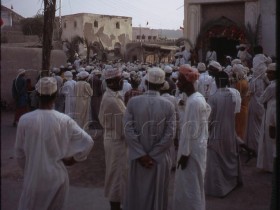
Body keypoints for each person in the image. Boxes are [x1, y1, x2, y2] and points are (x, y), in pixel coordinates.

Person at [15, 77, 94, 210]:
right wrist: (73, 159)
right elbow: (88, 142)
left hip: (34, 179)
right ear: (56, 95)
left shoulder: (25, 120)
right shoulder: (64, 120)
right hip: (57, 179)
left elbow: (19, 154)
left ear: (37, 95)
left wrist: (31, 168)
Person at [123, 67, 176, 210]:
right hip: (158, 160)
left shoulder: (133, 102)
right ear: (161, 85)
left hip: (138, 158)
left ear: (145, 82)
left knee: (137, 193)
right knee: (156, 195)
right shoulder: (169, 105)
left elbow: (128, 129)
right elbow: (170, 134)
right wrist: (153, 155)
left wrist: (141, 155)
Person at [173, 64, 211, 210]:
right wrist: (183, 106)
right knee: (191, 183)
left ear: (189, 81)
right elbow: (207, 111)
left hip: (191, 151)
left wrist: (184, 153)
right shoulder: (196, 98)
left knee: (190, 185)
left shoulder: (194, 101)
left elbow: (191, 131)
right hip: (196, 147)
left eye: (180, 80)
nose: (177, 83)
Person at [205, 71, 242, 197]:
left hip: (217, 130)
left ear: (216, 81)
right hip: (230, 129)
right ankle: (232, 182)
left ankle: (219, 188)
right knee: (229, 154)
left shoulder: (214, 97)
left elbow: (209, 118)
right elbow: (235, 111)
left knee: (216, 158)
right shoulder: (233, 94)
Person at [98, 67, 126, 210]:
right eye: (120, 79)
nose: (123, 82)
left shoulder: (113, 96)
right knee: (117, 175)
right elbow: (123, 128)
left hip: (113, 138)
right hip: (116, 142)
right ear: (113, 82)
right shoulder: (112, 101)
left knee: (118, 174)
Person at [257, 63, 276, 172]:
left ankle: (270, 165)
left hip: (271, 112)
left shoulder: (272, 86)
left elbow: (261, 99)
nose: (267, 74)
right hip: (271, 108)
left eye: (270, 72)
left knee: (269, 138)